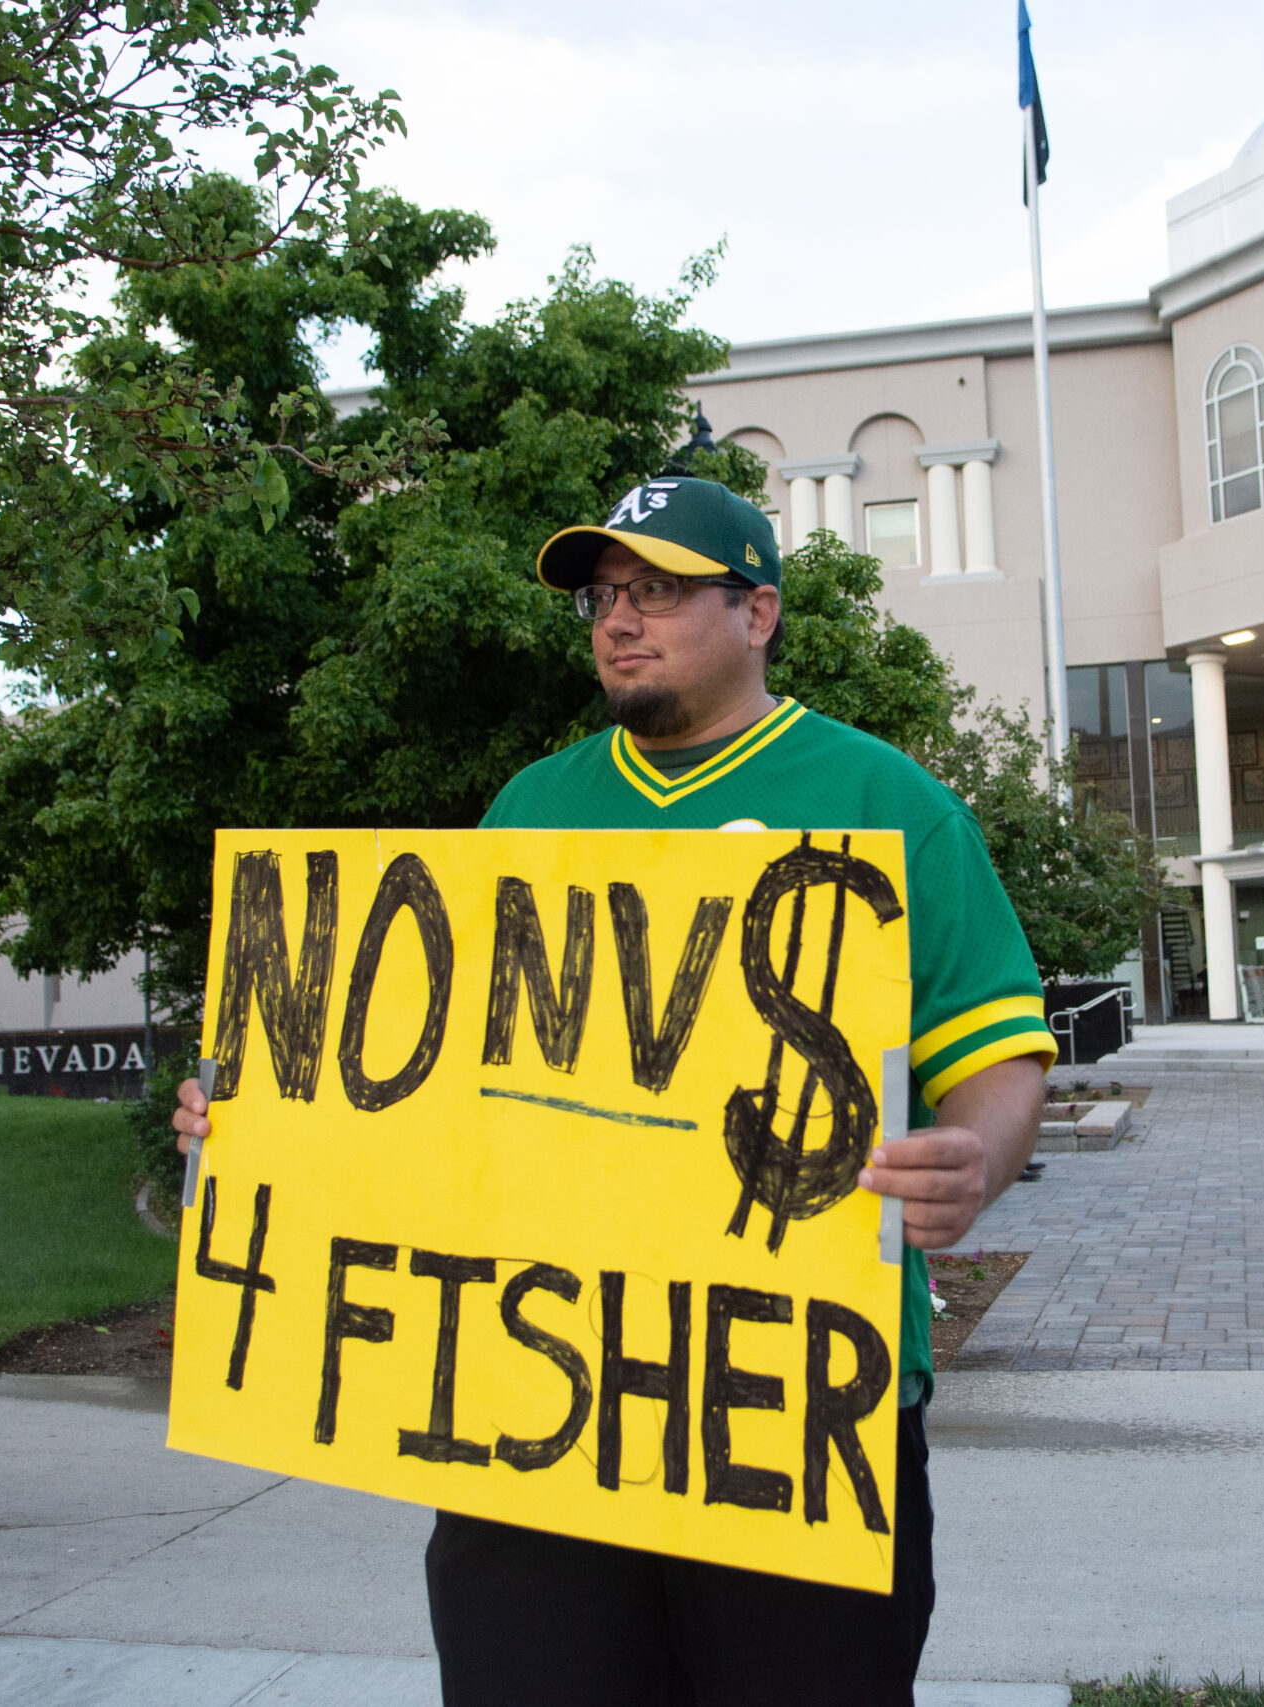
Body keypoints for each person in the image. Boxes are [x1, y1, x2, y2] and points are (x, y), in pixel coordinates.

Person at [173, 474, 1054, 1706]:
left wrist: (971, 1159)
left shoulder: (884, 802)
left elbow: (998, 1056)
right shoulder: (530, 809)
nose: (614, 621)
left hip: (787, 1409)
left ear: (757, 614)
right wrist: (269, 1120)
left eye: (655, 591)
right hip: (531, 1400)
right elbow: (436, 1088)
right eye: (601, 596)